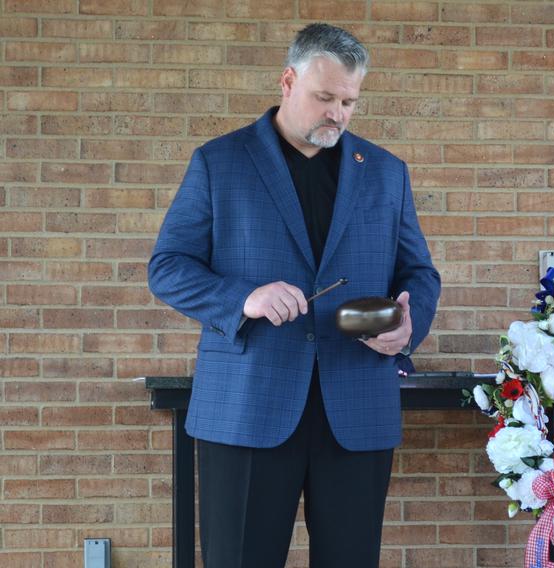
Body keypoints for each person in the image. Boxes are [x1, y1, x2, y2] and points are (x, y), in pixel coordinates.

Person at [147, 23, 440, 568]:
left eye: (349, 101)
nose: (338, 113)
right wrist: (243, 298)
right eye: (324, 97)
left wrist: (408, 324)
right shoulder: (219, 162)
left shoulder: (386, 173)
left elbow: (419, 274)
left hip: (355, 406)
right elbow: (167, 267)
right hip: (246, 407)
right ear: (287, 81)